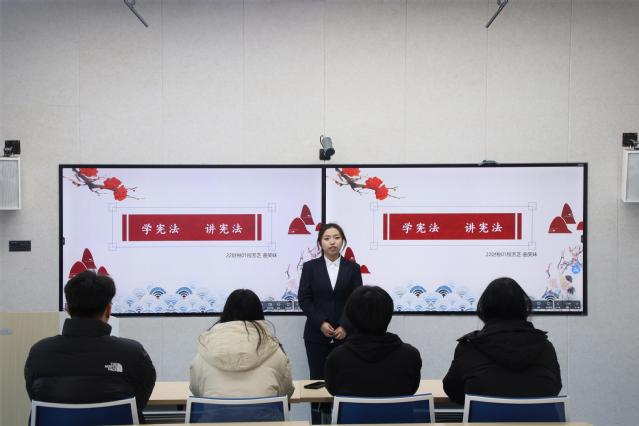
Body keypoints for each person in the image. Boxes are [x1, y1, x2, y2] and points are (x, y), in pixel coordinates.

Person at [24, 270, 156, 419]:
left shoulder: (39, 352)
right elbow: (139, 403)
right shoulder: (133, 353)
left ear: (68, 309)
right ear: (108, 310)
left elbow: (35, 397)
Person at [443, 277, 562, 404]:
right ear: (524, 307)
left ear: (484, 308)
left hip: (485, 417)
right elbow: (554, 389)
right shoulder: (545, 347)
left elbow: (454, 391)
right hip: (538, 417)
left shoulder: (468, 348)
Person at [298, 222, 363, 423]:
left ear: (343, 241)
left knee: (346, 381)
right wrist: (321, 323)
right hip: (316, 335)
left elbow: (357, 300)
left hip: (346, 337)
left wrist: (345, 325)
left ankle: (345, 421)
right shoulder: (310, 267)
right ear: (320, 243)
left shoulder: (353, 268)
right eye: (327, 238)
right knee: (317, 383)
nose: (332, 242)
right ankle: (317, 422)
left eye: (336, 237)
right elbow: (304, 299)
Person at [189, 289, 294, 398]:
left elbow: (196, 390)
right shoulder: (274, 351)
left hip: (215, 410)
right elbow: (286, 393)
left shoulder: (205, 349)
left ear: (226, 313)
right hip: (264, 410)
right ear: (259, 314)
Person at [325, 285, 422, 396]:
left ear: (350, 316)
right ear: (388, 314)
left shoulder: (336, 357)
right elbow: (412, 389)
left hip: (354, 409)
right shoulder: (410, 355)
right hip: (397, 408)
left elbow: (333, 391)